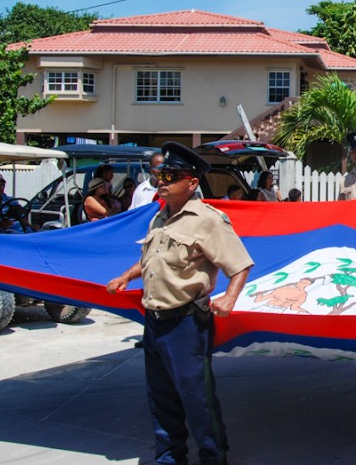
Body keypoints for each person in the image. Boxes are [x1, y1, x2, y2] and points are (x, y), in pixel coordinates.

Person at [107, 142, 252, 465]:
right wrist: (126, 276)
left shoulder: (208, 220)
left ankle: (213, 456)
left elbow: (240, 264)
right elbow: (151, 259)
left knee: (196, 398)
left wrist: (229, 297)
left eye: (171, 176)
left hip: (186, 323)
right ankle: (170, 455)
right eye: (160, 174)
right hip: (154, 320)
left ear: (192, 182)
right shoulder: (159, 218)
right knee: (160, 397)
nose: (162, 181)